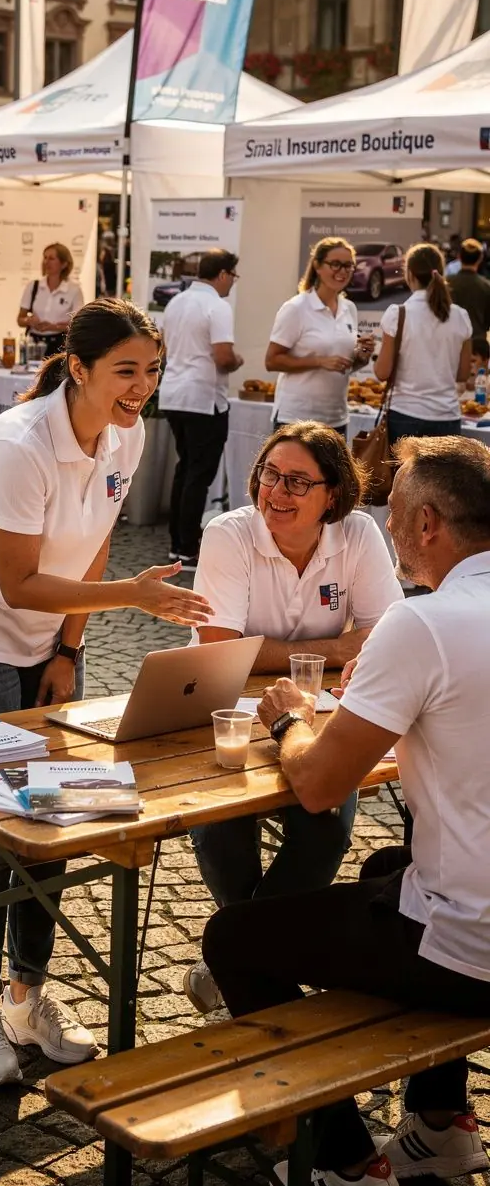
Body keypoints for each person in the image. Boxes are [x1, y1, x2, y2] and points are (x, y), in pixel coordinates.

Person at [0, 299, 212, 1088]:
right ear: (77, 368)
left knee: (51, 813)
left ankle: (27, 997)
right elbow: (14, 583)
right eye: (126, 371)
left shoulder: (126, 431)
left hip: (46, 643)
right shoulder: (16, 444)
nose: (142, 387)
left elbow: (96, 538)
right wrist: (135, 600)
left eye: (151, 370)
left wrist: (69, 647)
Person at [203, 435, 490, 1186]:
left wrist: (293, 720)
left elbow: (323, 786)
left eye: (393, 509)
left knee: (233, 938)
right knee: (383, 869)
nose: (384, 524)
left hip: (474, 953)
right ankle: (441, 1122)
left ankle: (341, 1162)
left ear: (427, 523)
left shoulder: (426, 622)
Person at [183, 421, 403, 1014]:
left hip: (329, 717)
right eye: (269, 475)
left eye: (298, 482)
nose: (276, 491)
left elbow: (387, 633)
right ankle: (252, 949)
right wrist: (333, 648)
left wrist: (277, 649)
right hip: (234, 711)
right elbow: (220, 643)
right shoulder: (228, 534)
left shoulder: (358, 534)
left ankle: (240, 949)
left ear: (333, 494)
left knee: (326, 819)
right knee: (221, 822)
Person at [159, 251, 244, 569]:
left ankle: (176, 542)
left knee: (186, 468)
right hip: (203, 399)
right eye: (233, 277)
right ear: (222, 274)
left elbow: (166, 349)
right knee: (198, 473)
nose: (233, 284)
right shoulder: (218, 306)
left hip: (174, 395)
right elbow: (223, 357)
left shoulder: (176, 302)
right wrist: (238, 361)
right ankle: (187, 548)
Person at [266, 238, 374, 434]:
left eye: (348, 266)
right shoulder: (296, 308)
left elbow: (344, 367)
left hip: (336, 418)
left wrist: (361, 357)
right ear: (317, 265)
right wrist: (318, 361)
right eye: (335, 264)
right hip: (296, 420)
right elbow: (272, 361)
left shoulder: (349, 308)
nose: (342, 271)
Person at [375, 243, 472, 447]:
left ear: (409, 274)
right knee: (444, 480)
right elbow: (463, 374)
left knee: (405, 479)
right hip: (447, 416)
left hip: (405, 414)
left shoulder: (397, 314)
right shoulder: (460, 316)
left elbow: (382, 372)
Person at [18, 243, 84, 358]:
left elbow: (79, 325)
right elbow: (20, 319)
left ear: (64, 264)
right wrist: (29, 321)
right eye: (45, 257)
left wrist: (54, 327)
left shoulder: (74, 290)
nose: (46, 262)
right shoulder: (33, 286)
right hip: (34, 345)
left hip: (61, 345)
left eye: (52, 258)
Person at [446, 238, 490, 344]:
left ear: (459, 257)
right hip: (476, 341)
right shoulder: (486, 286)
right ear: (480, 258)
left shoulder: (446, 283)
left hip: (450, 339)